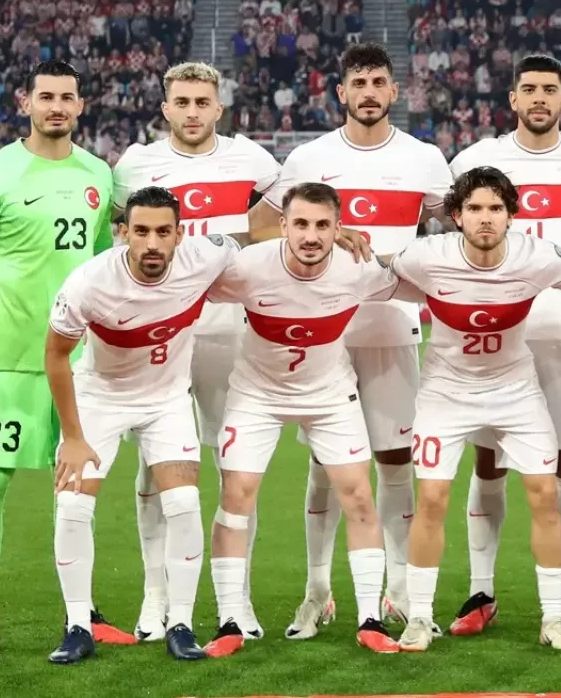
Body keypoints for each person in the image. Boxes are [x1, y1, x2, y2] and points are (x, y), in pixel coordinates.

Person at [250, 42, 452, 635]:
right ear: (341, 93)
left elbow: (459, 226)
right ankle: (318, 592)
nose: (368, 92)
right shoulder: (309, 157)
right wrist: (328, 234)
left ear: (394, 91)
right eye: (357, 83)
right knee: (325, 464)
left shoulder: (424, 159)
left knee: (395, 460)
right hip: (324, 335)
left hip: (391, 328)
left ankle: (399, 590)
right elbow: (261, 227)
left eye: (377, 82)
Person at [389, 167, 561, 653]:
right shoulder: (426, 256)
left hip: (516, 391)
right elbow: (373, 273)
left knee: (544, 495)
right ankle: (420, 617)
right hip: (446, 393)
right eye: (474, 208)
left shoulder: (537, 256)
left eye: (495, 208)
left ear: (512, 215)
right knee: (432, 499)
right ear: (456, 215)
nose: (485, 218)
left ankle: (554, 617)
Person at [0, 60, 126, 659]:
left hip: (80, 362)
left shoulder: (98, 173)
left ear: (80, 105)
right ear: (26, 102)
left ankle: (83, 613)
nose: (56, 107)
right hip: (14, 357)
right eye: (46, 96)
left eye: (67, 97)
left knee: (78, 487)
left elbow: (104, 267)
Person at [445, 53, 561, 635]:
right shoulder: (477, 160)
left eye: (550, 90)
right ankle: (480, 591)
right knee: (489, 462)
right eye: (529, 90)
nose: (540, 99)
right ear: (513, 99)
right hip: (496, 337)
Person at [202, 182, 415, 657]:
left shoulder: (358, 268)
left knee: (359, 496)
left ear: (340, 228)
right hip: (256, 394)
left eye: (322, 225)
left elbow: (416, 278)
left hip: (330, 395)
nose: (311, 235)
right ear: (282, 225)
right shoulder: (248, 267)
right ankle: (230, 619)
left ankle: (369, 619)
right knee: (235, 496)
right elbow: (186, 282)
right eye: (300, 223)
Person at [111, 61, 283, 643]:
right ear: (165, 108)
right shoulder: (136, 165)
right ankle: (155, 596)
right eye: (181, 102)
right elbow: (117, 236)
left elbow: (281, 219)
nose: (191, 112)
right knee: (153, 465)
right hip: (156, 334)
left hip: (228, 332)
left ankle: (237, 600)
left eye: (201, 102)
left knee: (237, 465)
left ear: (218, 108)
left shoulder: (251, 160)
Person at [43, 187, 233, 664]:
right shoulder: (89, 284)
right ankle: (78, 625)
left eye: (163, 232)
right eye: (141, 231)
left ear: (180, 234)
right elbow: (56, 356)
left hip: (167, 399)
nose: (152, 243)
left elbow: (263, 249)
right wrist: (72, 437)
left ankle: (180, 624)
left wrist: (336, 239)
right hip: (100, 398)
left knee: (184, 503)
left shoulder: (206, 256)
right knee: (72, 505)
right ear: (123, 232)